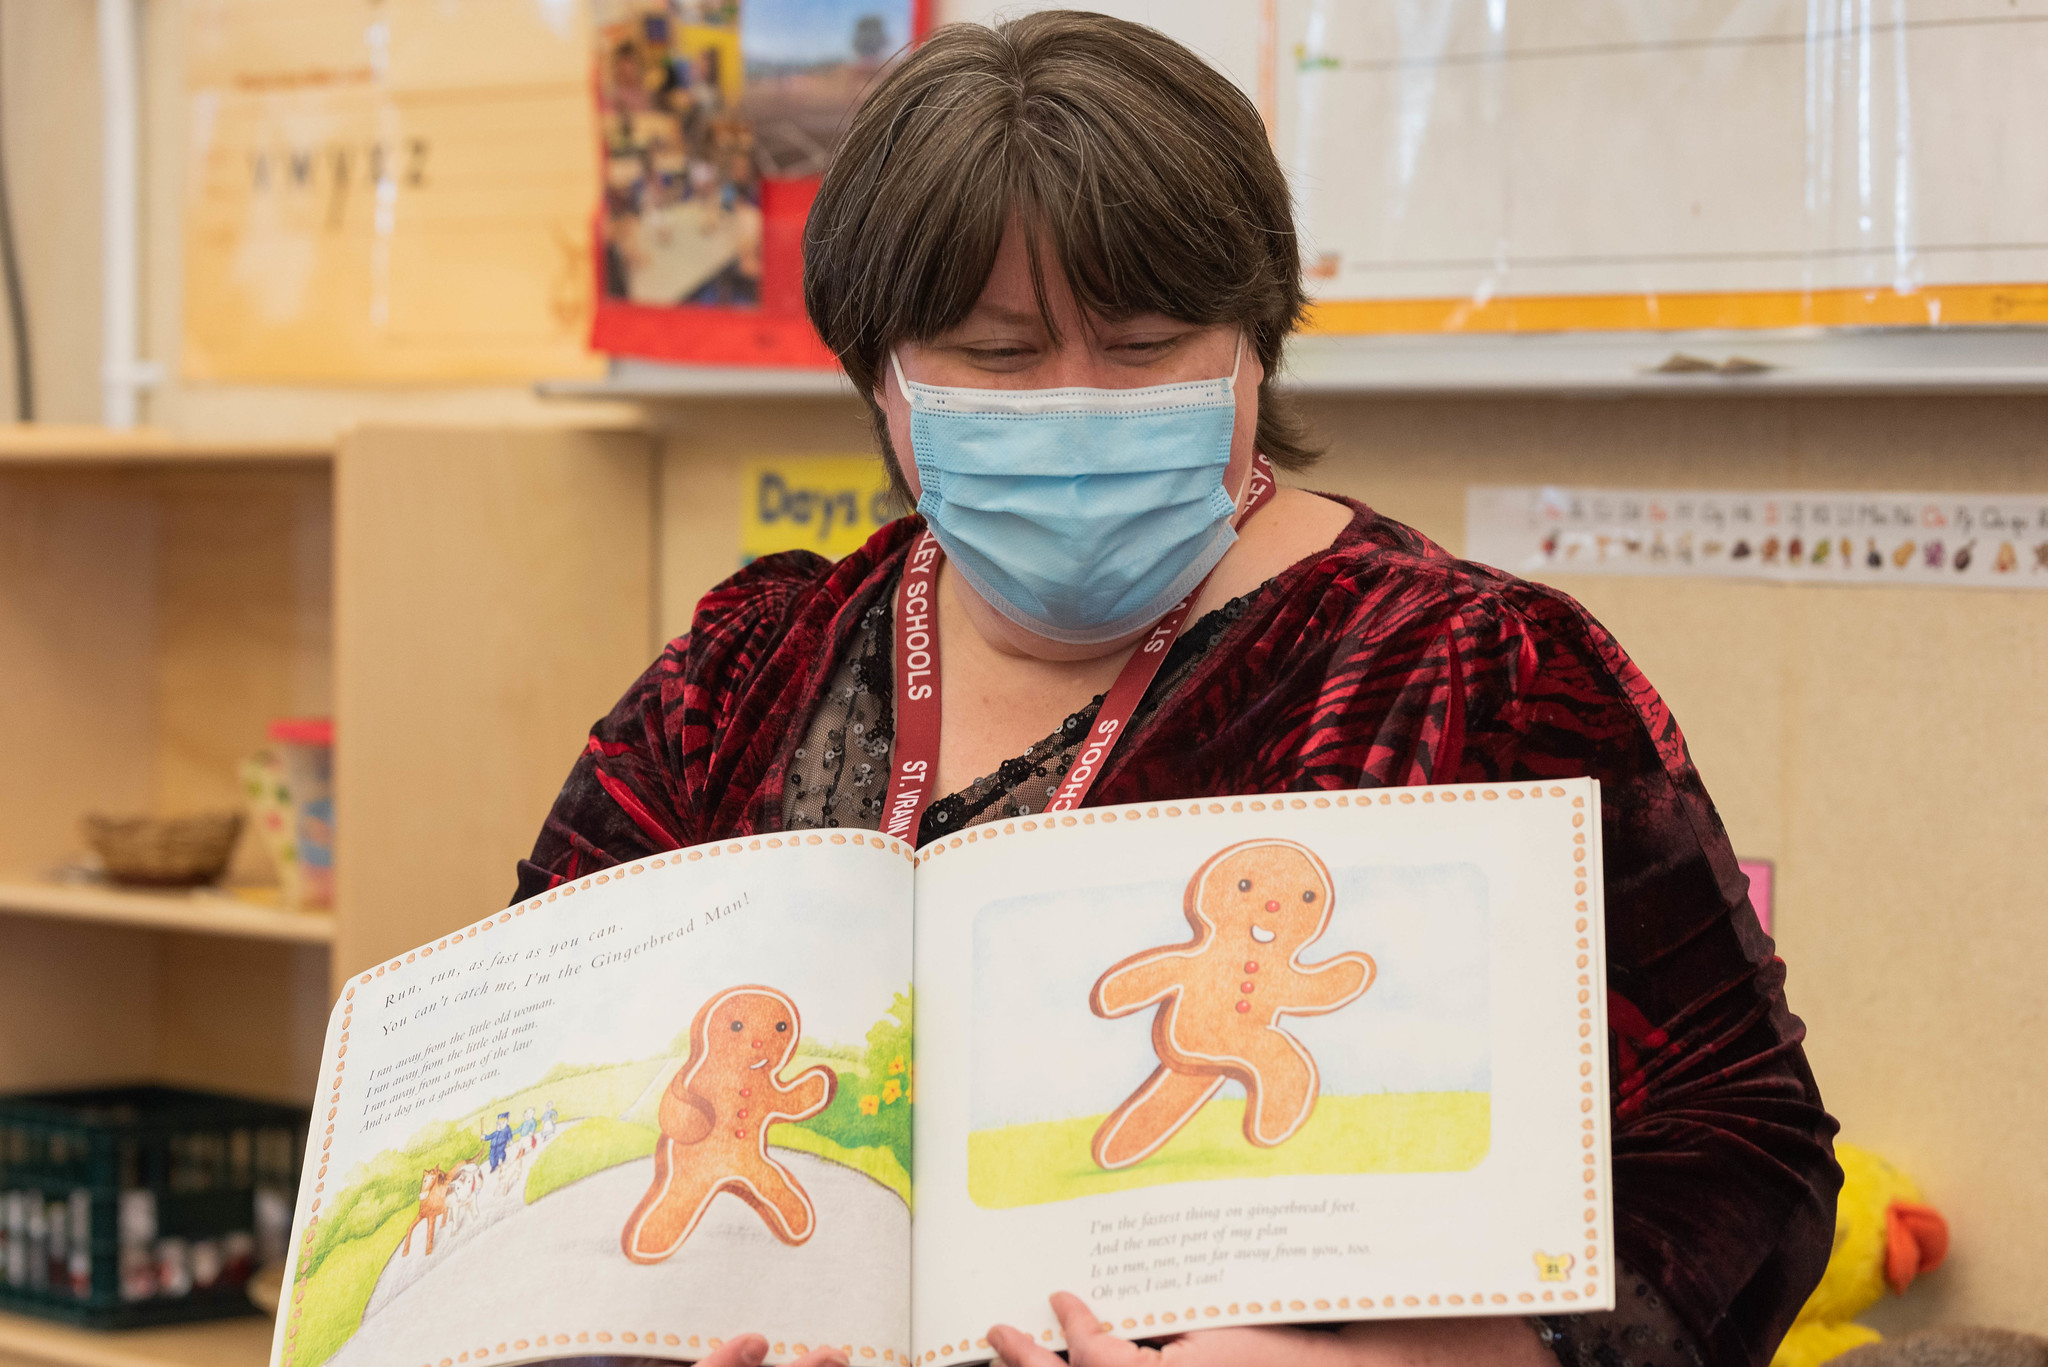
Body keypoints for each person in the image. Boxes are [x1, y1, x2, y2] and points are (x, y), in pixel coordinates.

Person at [517, 13, 1838, 1367]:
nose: (1078, 404)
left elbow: (1747, 1151)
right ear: (881, 374)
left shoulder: (1473, 679)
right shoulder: (740, 677)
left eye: (1146, 345)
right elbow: (547, 1101)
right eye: (999, 356)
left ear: (1259, 345)